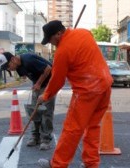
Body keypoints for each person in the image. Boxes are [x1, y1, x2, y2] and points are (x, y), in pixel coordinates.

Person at [37, 20, 113, 168]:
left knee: (72, 129)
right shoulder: (84, 32)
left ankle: (58, 164)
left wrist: (45, 95)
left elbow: (57, 80)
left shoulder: (62, 52)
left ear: (59, 33)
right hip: (105, 85)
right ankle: (91, 163)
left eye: (51, 40)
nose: (52, 44)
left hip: (87, 90)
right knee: (93, 126)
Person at [0, 52, 56, 150]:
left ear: (13, 59)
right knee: (35, 111)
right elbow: (29, 74)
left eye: (8, 66)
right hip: (38, 86)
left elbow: (48, 68)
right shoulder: (18, 66)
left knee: (46, 112)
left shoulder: (28, 59)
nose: (9, 69)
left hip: (50, 84)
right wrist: (35, 84)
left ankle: (45, 139)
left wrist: (38, 83)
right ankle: (35, 137)